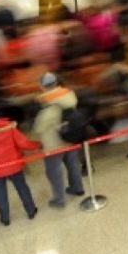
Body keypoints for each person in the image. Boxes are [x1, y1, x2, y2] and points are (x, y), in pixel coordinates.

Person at [0, 104, 42, 226]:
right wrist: (37, 145)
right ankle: (31, 210)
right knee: (22, 187)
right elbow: (23, 143)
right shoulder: (9, 128)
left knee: (0, 193)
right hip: (14, 165)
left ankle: (5, 218)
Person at [31, 73, 85, 208]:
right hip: (71, 137)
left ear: (42, 86)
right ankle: (77, 187)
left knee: (54, 172)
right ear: (55, 83)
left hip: (53, 144)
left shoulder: (48, 105)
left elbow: (39, 127)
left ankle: (59, 199)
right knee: (73, 165)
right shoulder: (69, 96)